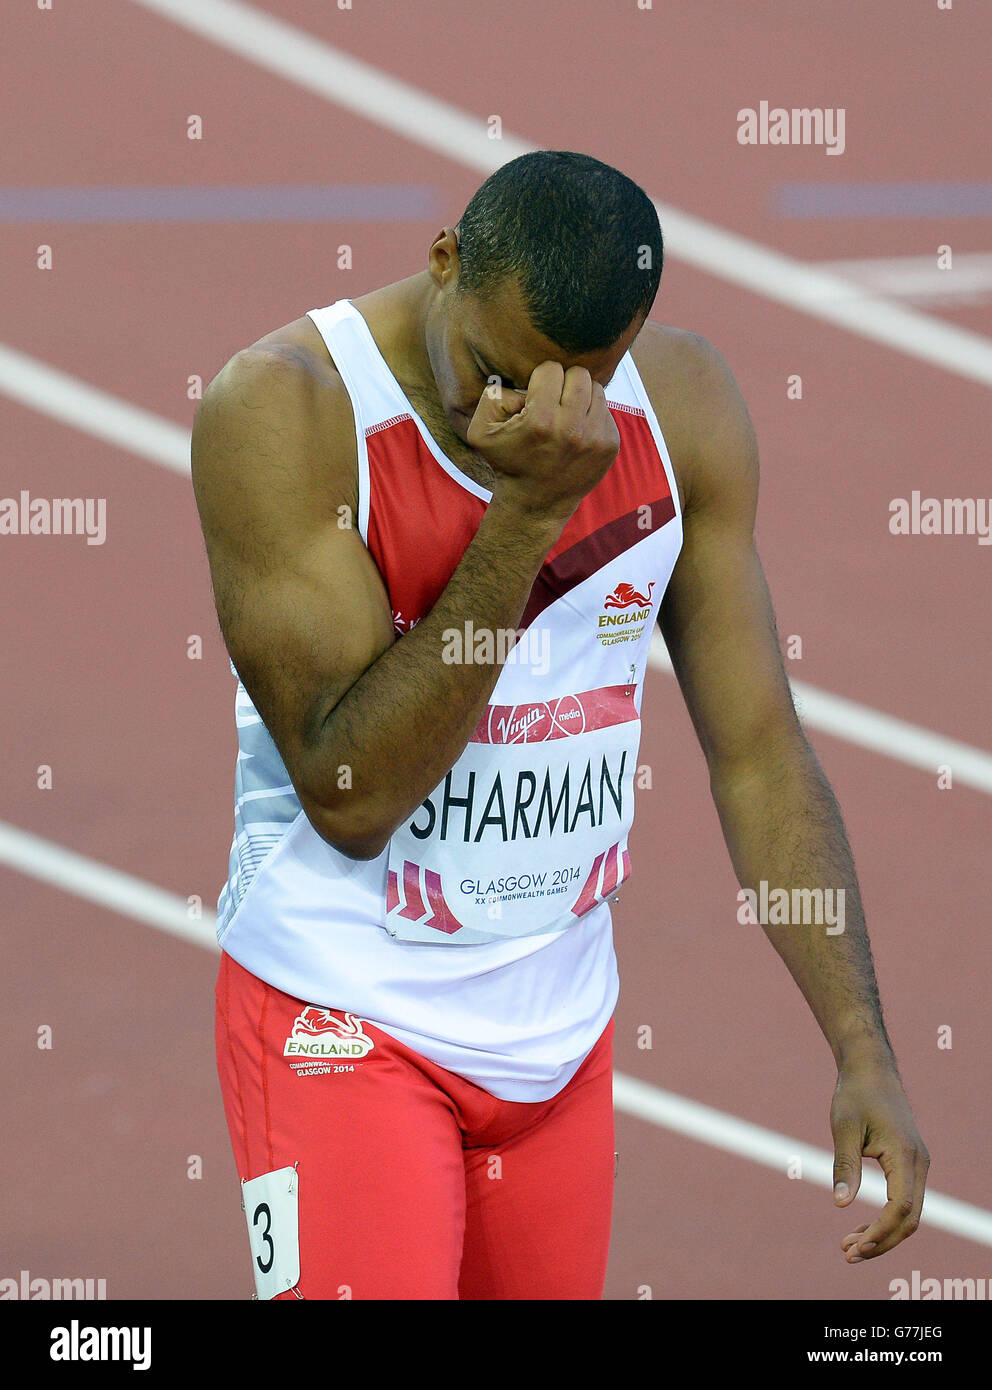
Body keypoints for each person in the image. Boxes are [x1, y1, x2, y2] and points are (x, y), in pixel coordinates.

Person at [191, 150, 929, 1300]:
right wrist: (527, 513)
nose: (525, 414)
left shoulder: (678, 410)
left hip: (559, 1047)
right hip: (344, 1021)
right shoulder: (288, 409)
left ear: (630, 338)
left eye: (574, 382)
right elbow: (352, 794)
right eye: (494, 368)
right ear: (443, 261)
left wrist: (859, 1044)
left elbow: (758, 750)